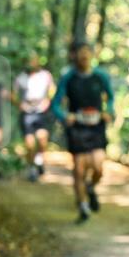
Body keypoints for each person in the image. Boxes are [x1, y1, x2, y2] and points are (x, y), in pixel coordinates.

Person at [52, 41, 115, 223]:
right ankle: (83, 207)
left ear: (92, 55)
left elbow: (110, 98)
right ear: (74, 56)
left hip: (96, 127)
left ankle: (90, 187)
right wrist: (65, 116)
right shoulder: (68, 77)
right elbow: (56, 104)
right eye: (80, 53)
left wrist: (108, 112)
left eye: (87, 52)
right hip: (77, 128)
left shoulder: (100, 76)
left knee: (98, 167)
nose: (84, 56)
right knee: (79, 169)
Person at [13, 52, 55, 181]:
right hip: (27, 112)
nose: (31, 62)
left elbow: (53, 89)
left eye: (33, 59)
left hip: (42, 111)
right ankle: (31, 168)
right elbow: (13, 93)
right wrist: (20, 104)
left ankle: (39, 160)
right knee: (29, 143)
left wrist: (47, 101)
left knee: (42, 139)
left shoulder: (45, 75)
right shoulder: (21, 78)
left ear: (38, 61)